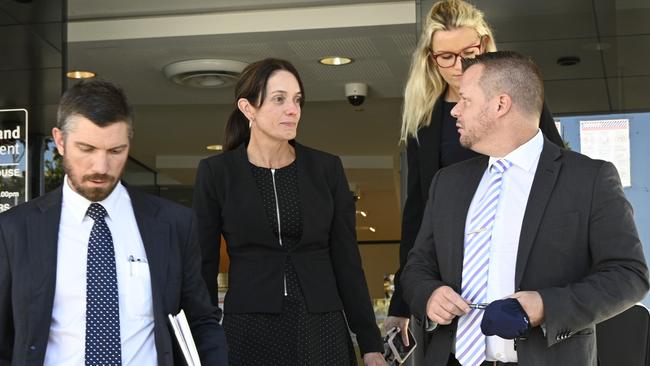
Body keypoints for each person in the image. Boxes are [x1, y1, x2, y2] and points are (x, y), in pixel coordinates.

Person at [400, 50, 649, 365]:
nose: (455, 111)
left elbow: (629, 275)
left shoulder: (589, 179)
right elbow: (417, 267)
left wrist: (544, 306)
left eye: (465, 100)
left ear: (500, 105)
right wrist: (429, 294)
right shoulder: (447, 183)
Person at [0, 80, 228, 365]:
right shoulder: (15, 230)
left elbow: (201, 321)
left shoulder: (174, 224)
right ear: (60, 141)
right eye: (86, 149)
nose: (100, 167)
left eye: (115, 151)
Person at [385, 0, 566, 343]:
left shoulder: (518, 104)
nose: (459, 65)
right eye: (446, 57)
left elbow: (559, 178)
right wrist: (405, 299)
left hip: (521, 266)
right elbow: (418, 216)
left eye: (468, 52)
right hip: (455, 281)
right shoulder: (425, 123)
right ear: (430, 58)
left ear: (484, 44)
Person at [193, 58, 387, 366]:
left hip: (321, 327)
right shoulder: (217, 173)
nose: (292, 109)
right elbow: (202, 264)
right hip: (248, 329)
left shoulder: (326, 169)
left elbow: (347, 261)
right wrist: (199, 340)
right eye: (279, 99)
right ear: (247, 109)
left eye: (297, 100)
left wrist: (370, 343)